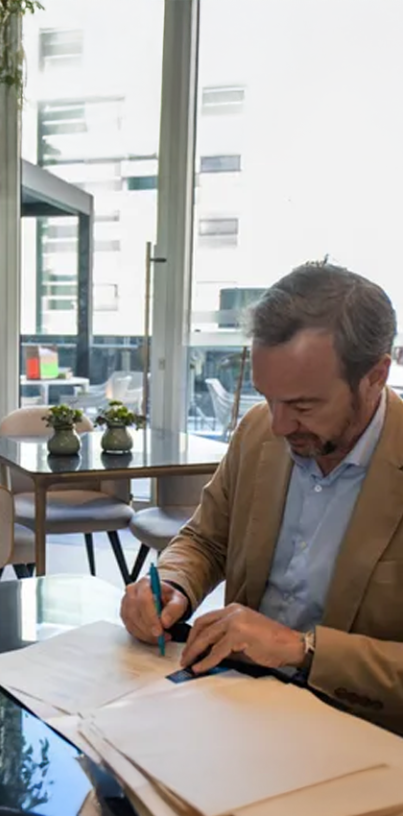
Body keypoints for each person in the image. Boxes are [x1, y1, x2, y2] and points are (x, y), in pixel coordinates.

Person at [121, 261, 403, 731]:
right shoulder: (258, 433)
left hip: (361, 735)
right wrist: (174, 584)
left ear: (376, 375)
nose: (278, 425)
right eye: (267, 397)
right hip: (241, 708)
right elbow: (208, 540)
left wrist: (302, 649)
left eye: (303, 405)